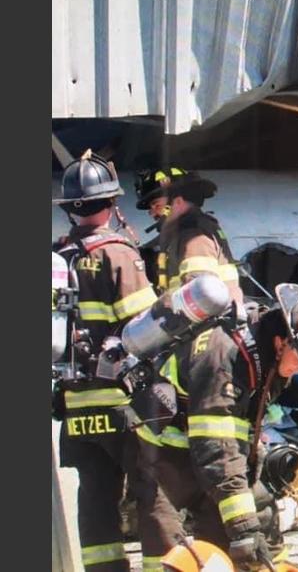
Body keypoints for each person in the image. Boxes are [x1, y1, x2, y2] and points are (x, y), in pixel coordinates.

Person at [142, 283, 298, 569]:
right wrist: (243, 528)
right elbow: (218, 450)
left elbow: (241, 429)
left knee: (258, 512)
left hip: (205, 448)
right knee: (205, 533)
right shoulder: (226, 357)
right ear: (282, 342)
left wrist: (256, 466)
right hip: (166, 447)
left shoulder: (266, 357)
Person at [52, 151, 183, 572]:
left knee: (95, 497)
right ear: (110, 203)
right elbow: (146, 327)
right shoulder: (117, 253)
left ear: (70, 208)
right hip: (125, 404)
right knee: (152, 490)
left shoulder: (58, 257)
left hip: (76, 406)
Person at [155, 169, 244, 315]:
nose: (157, 214)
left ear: (178, 202)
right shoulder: (201, 226)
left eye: (163, 208)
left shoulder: (193, 234)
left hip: (208, 323)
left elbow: (200, 293)